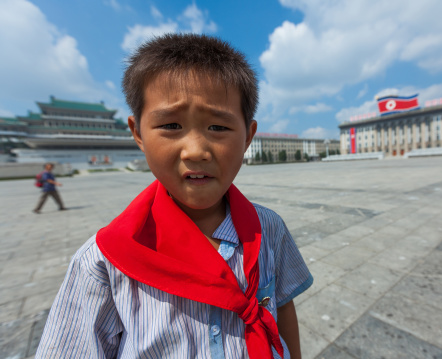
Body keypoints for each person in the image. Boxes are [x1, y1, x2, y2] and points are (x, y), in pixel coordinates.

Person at [36, 34, 312, 359]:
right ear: (137, 132)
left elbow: (281, 307)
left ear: (249, 136)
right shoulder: (102, 262)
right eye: (171, 125)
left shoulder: (269, 229)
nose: (195, 151)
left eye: (218, 128)